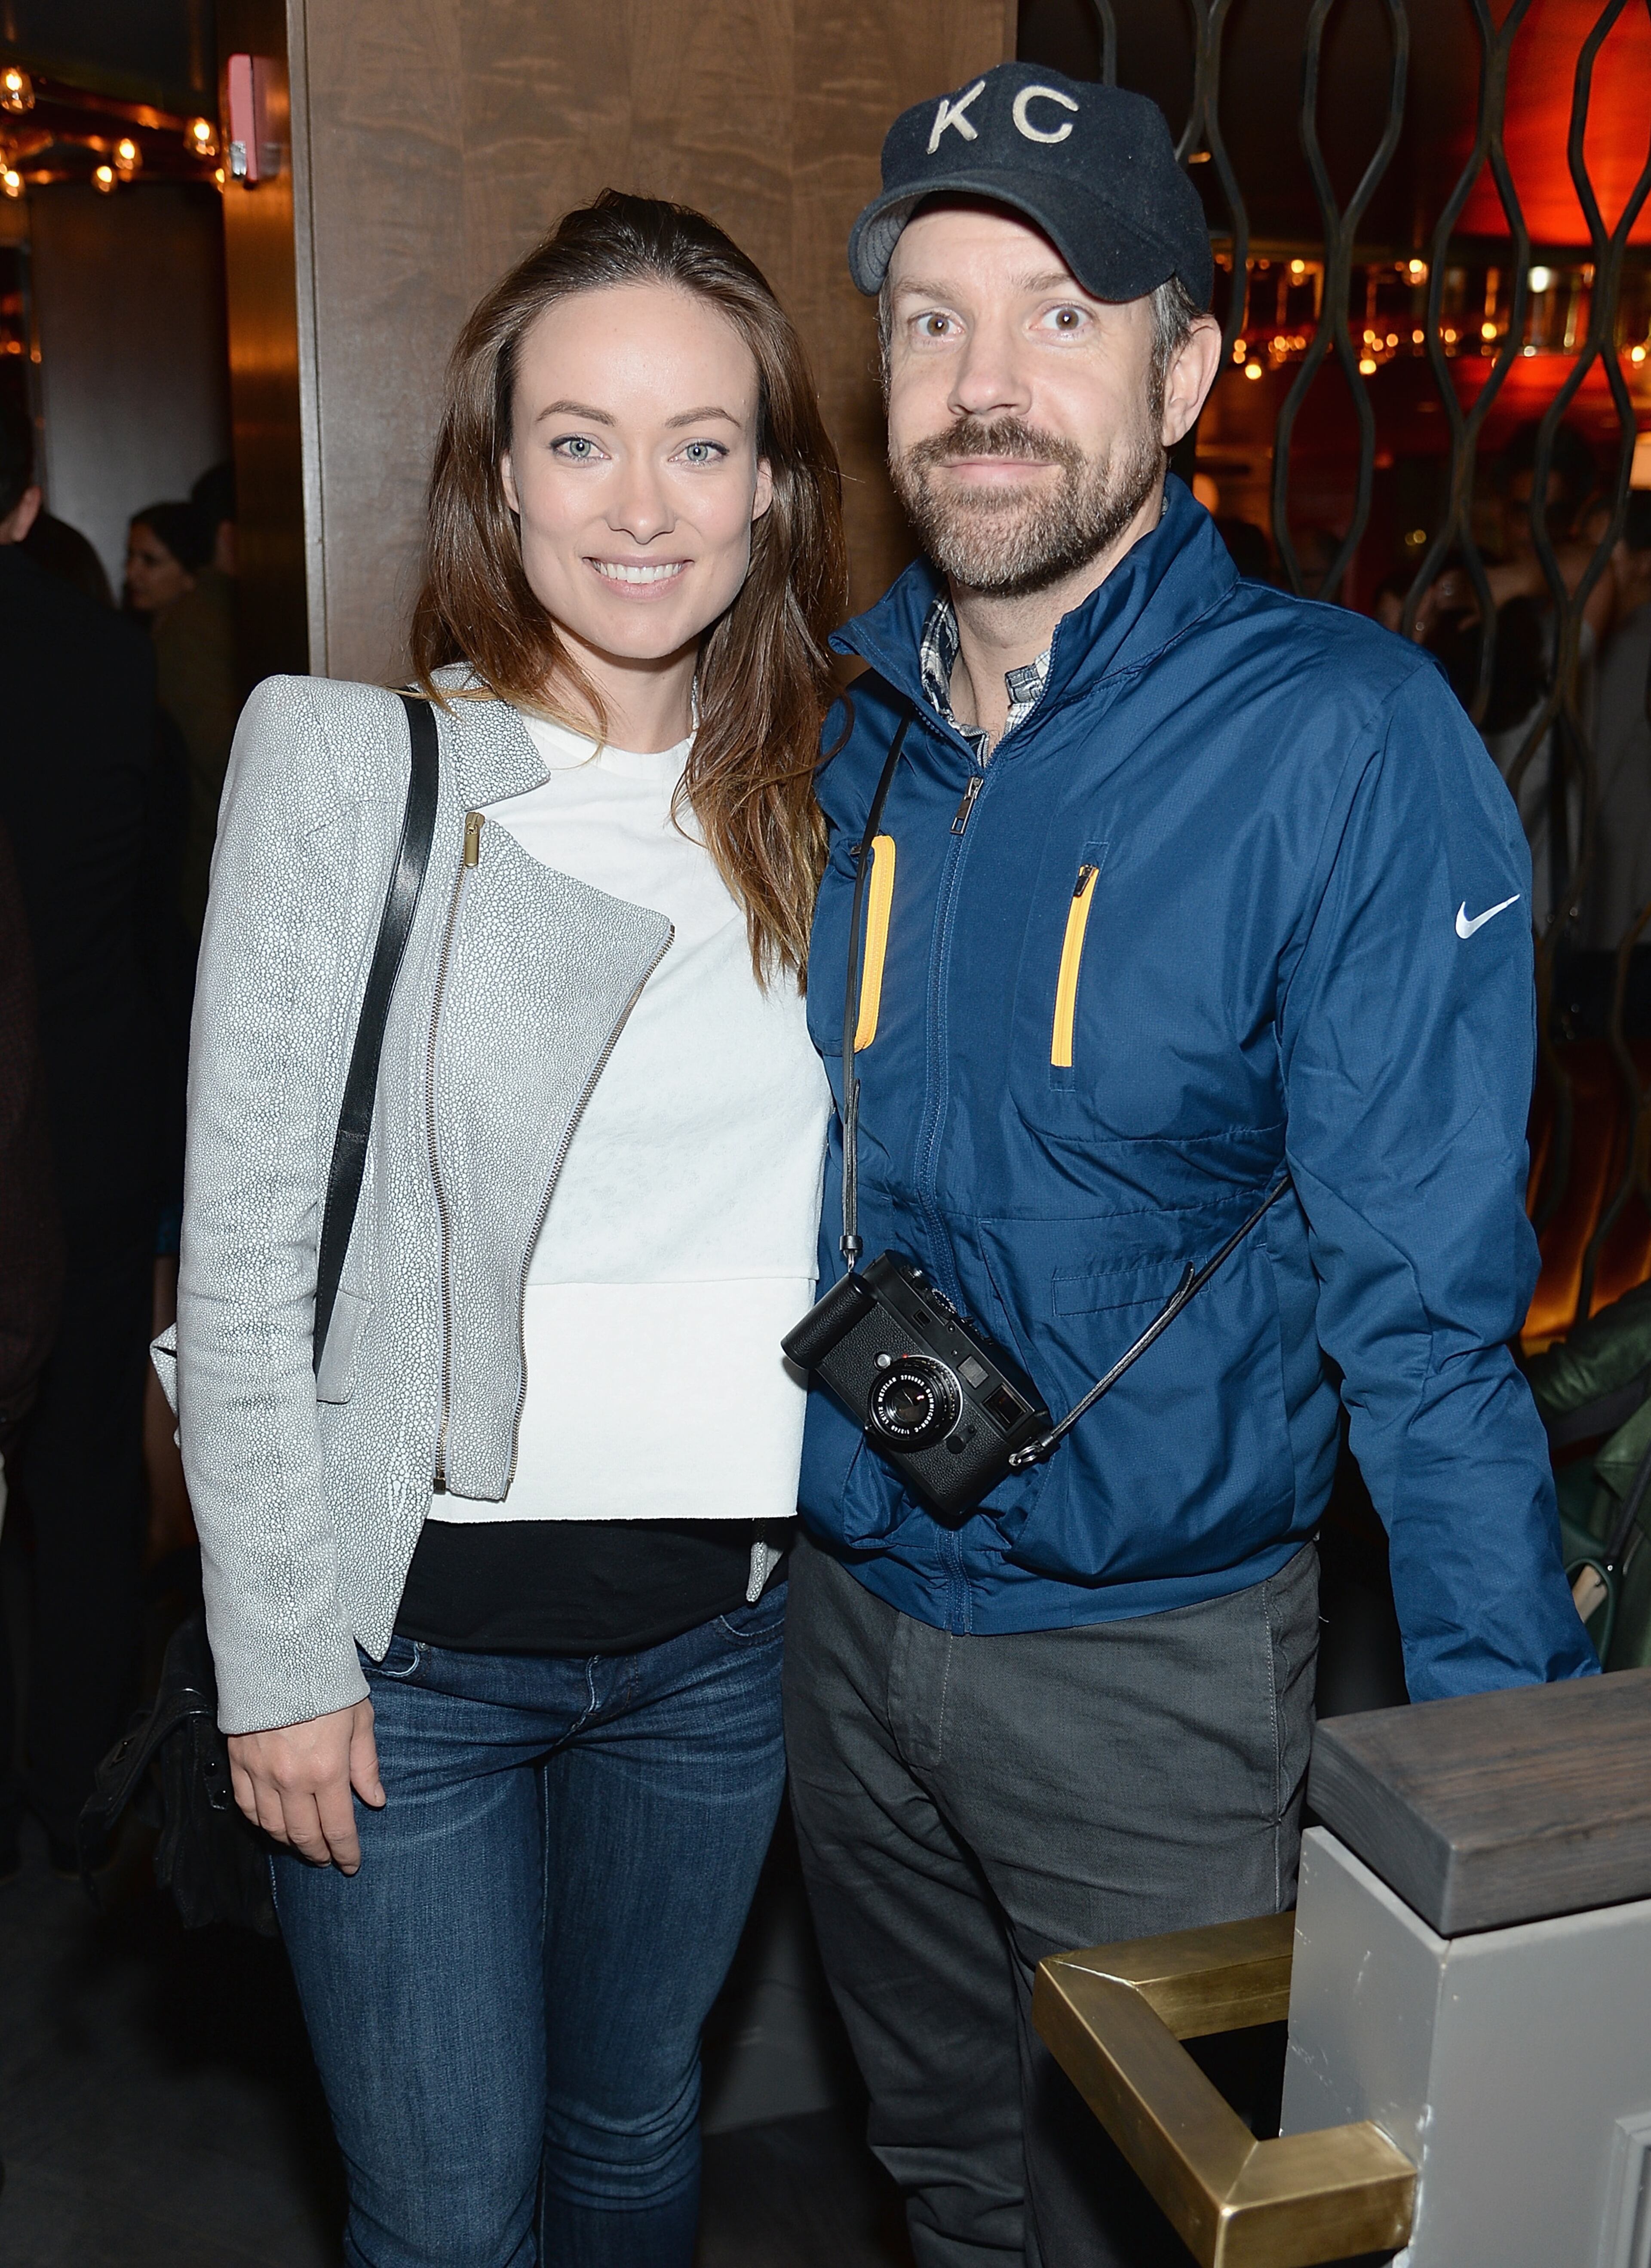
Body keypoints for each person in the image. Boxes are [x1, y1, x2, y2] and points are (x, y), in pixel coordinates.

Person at [779, 64, 1598, 2268]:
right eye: (934, 319)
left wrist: (1521, 1827)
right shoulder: (825, 718)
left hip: (1144, 1682)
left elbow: (1429, 1330)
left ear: (1188, 362)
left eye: (1059, 315)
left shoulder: (1339, 739)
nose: (984, 385)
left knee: (1179, 2227)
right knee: (949, 2180)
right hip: (841, 1634)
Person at [169, 191, 846, 2268]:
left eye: (700, 442)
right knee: (453, 2211)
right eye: (579, 438)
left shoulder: (830, 801)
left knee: (640, 2134)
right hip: (415, 1656)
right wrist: (275, 1655)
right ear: (497, 471)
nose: (640, 503)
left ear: (771, 489)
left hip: (721, 1645)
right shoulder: (349, 766)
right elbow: (243, 1254)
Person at [0, 396, 166, 1878]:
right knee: (84, 1464)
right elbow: (165, 924)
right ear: (24, 501)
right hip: (94, 1125)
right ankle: (70, 1774)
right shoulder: (114, 667)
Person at [126, 500, 240, 938]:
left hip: (197, 862)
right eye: (130, 557)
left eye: (151, 561)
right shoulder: (167, 631)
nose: (132, 573)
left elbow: (212, 753)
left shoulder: (189, 633)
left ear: (191, 571)